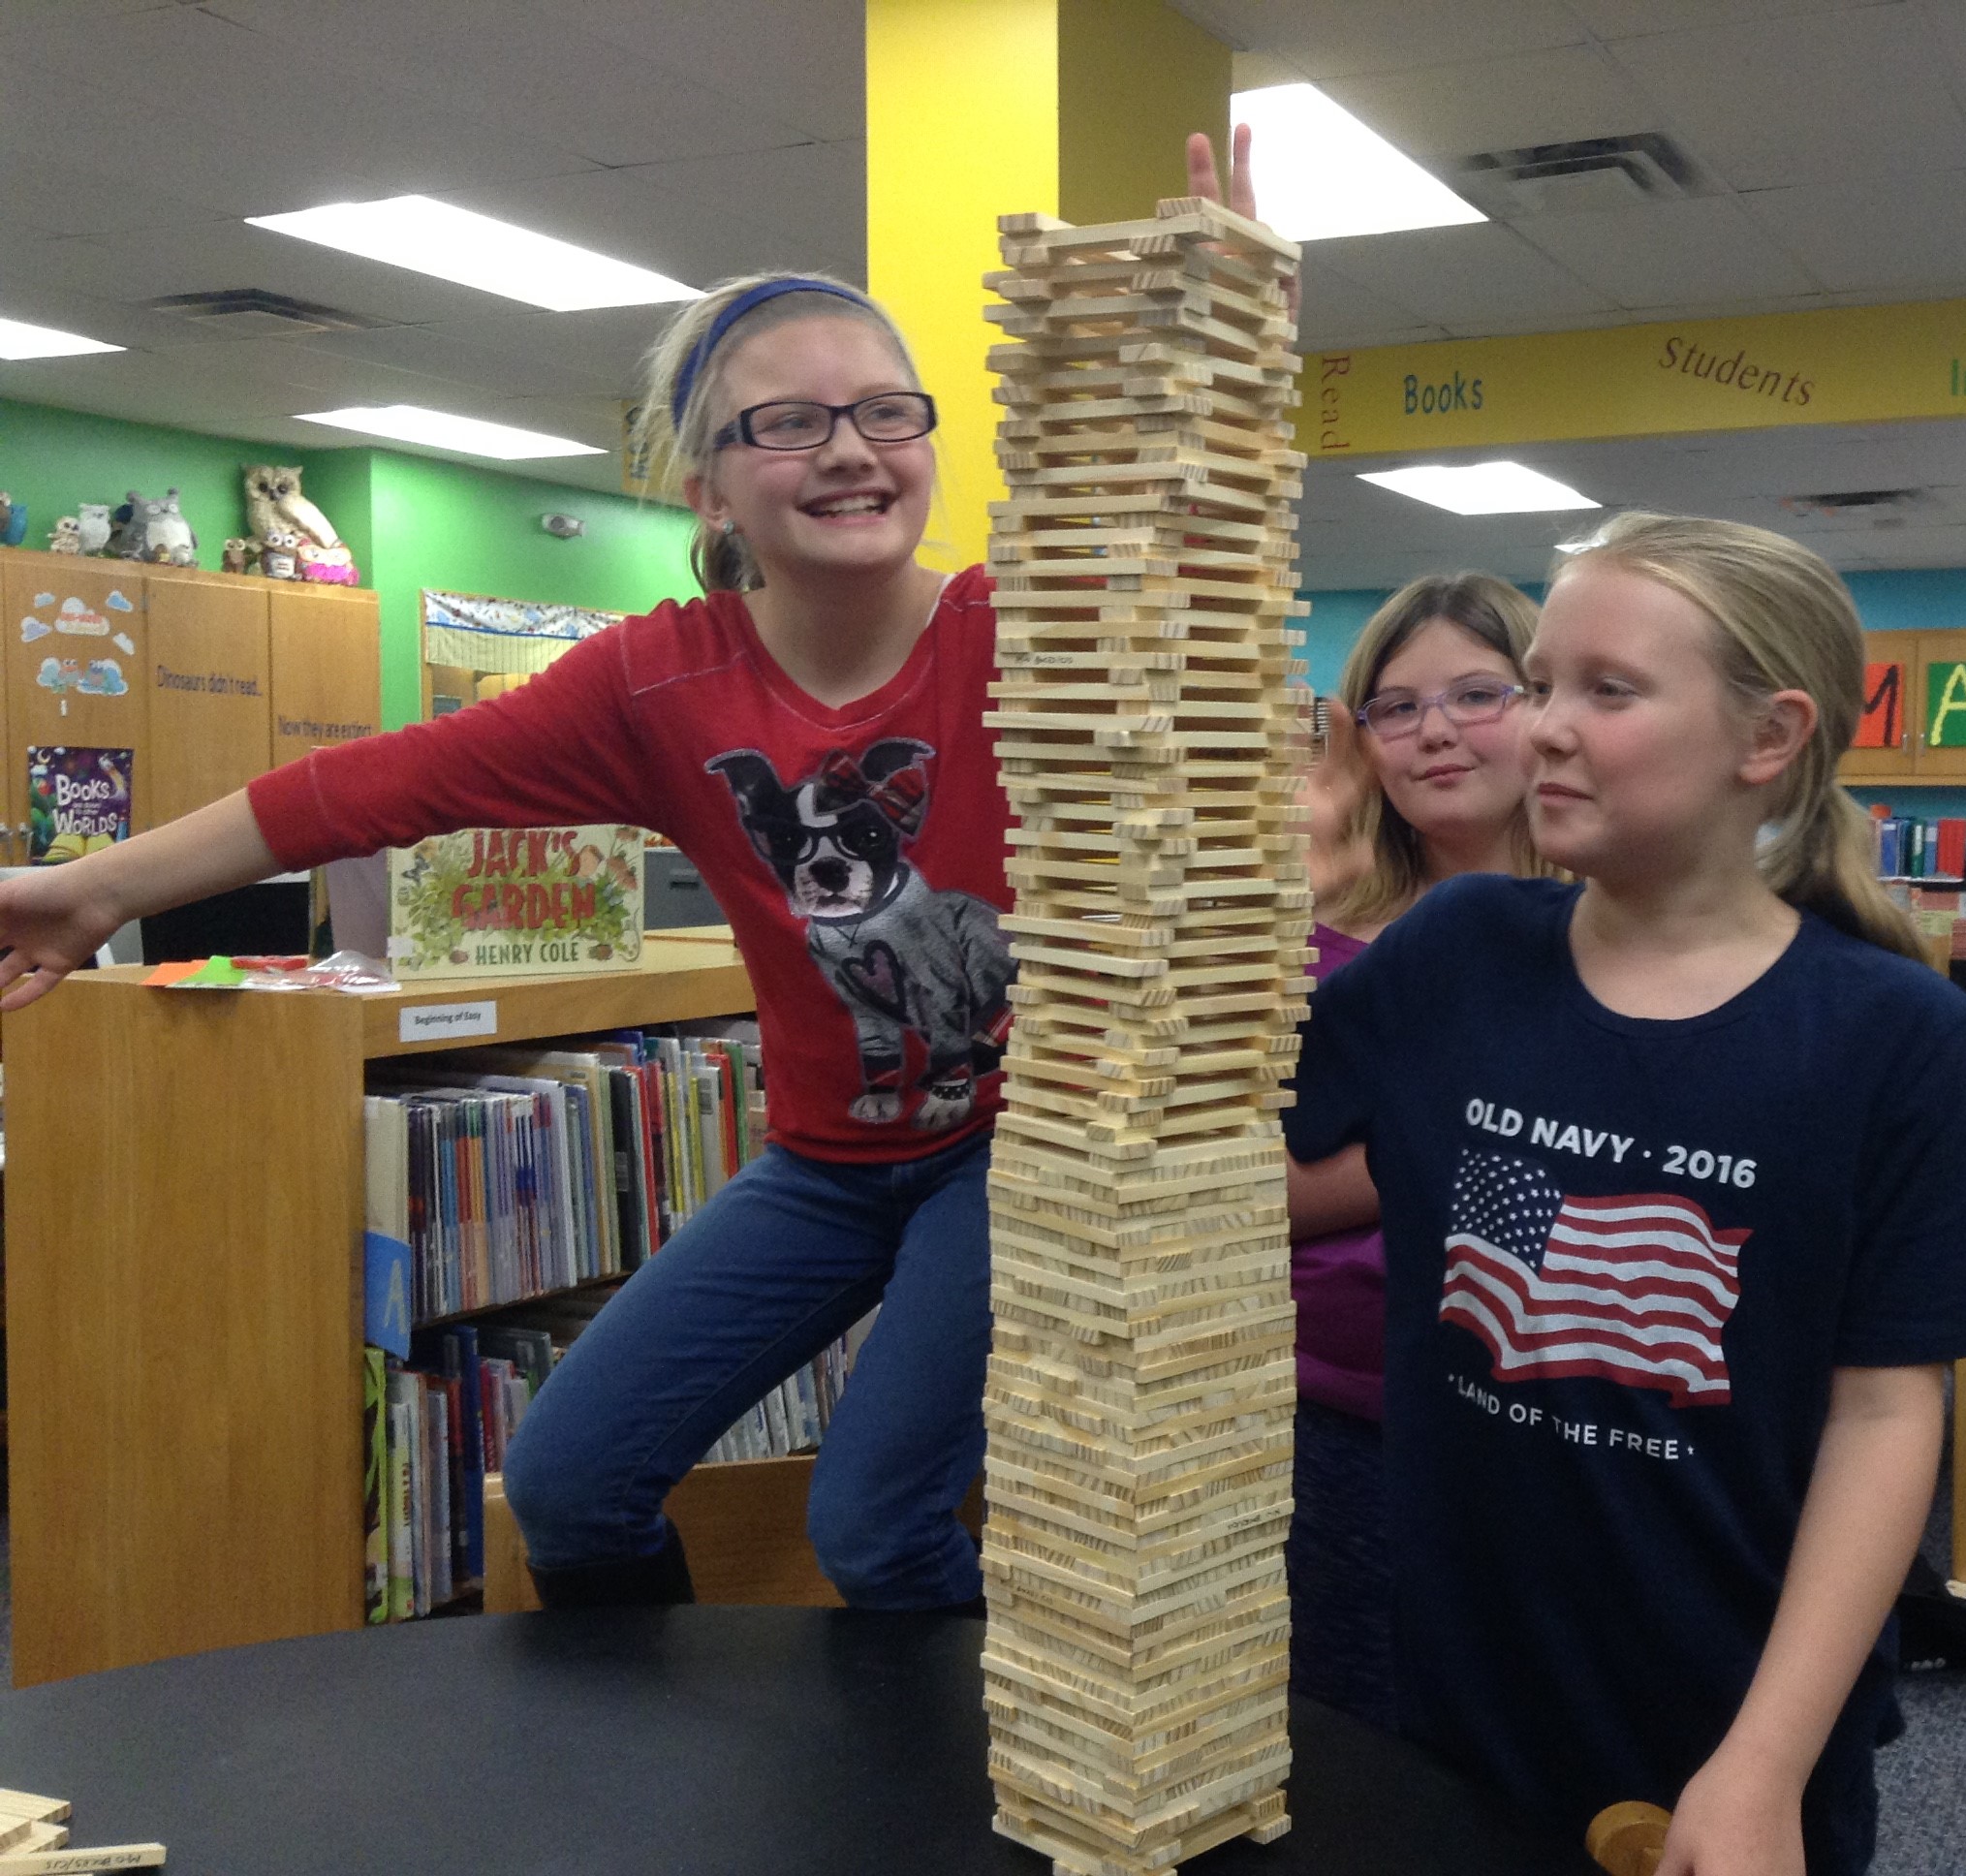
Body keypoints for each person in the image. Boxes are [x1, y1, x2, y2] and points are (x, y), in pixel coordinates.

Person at [0, 134, 1270, 1613]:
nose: (850, 449)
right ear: (709, 488)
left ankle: (937, 1794)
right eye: (786, 422)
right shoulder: (657, 686)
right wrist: (94, 889)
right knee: (567, 1485)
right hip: (823, 1165)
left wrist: (1213, 338)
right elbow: (361, 787)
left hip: (1017, 1152)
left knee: (872, 1524)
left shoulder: (1021, 629)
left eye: (883, 412)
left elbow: (1190, 567)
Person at [1284, 512, 1966, 1875]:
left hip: (1727, 1699)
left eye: (1607, 691)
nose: (1540, 729)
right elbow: (1240, 1159)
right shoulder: (1455, 951)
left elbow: (1885, 1412)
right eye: (1540, 685)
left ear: (1769, 740)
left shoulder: (1889, 1039)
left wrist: (1763, 1764)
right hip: (1453, 1676)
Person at [1287, 571, 1549, 1727]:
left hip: (1545, 1410)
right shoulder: (1314, 930)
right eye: (1396, 708)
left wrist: (1394, 1156)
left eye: (1478, 693)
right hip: (1324, 1396)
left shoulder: (1624, 922)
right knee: (1353, 1736)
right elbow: (1235, 1188)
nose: (1435, 730)